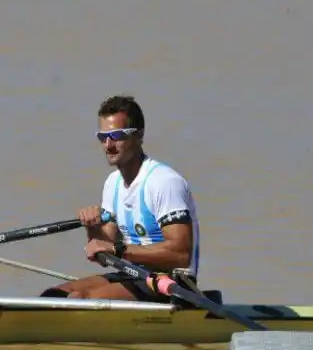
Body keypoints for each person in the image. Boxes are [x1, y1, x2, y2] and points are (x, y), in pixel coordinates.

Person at [40, 95, 200, 302]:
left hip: (173, 284)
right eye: (102, 137)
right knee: (53, 295)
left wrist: (118, 249)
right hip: (132, 275)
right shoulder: (112, 183)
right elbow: (107, 253)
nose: (108, 145)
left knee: (79, 298)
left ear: (139, 136)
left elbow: (180, 255)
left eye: (116, 136)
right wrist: (93, 228)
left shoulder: (164, 182)